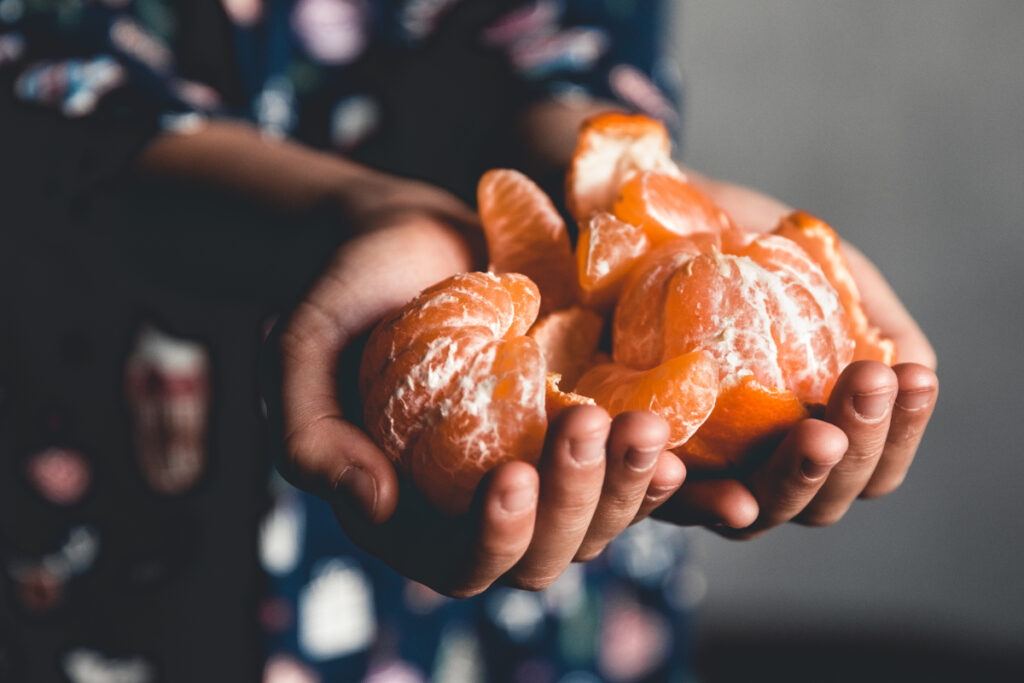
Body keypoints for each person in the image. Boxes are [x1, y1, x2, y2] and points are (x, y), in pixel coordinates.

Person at [0, 1, 937, 680]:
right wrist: (345, 219)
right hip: (97, 501)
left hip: (547, 564)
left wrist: (584, 163)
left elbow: (571, 23)